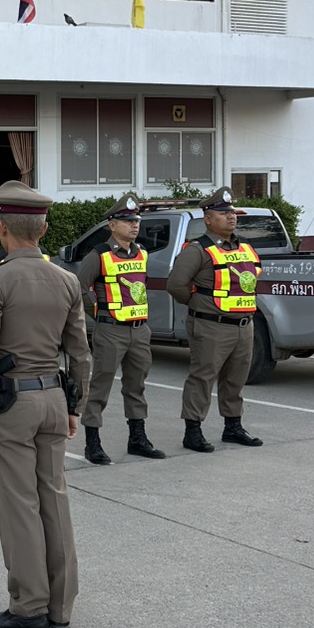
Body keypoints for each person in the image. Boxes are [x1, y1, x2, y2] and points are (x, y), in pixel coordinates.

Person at [0, 180, 91, 628]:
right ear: (44, 229)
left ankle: (29, 608)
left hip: (12, 403)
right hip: (54, 398)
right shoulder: (67, 280)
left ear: (1, 229)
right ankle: (60, 608)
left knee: (20, 504)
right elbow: (80, 353)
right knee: (54, 498)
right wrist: (75, 404)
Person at [167, 186, 264, 452]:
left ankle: (233, 427)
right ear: (208, 219)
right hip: (211, 325)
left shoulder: (245, 247)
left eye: (232, 213)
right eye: (223, 213)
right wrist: (199, 304)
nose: (231, 217)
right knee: (202, 378)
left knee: (236, 379)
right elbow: (176, 285)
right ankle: (192, 431)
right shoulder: (197, 249)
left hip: (244, 325)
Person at [77, 193, 164, 465]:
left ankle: (137, 439)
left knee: (136, 385)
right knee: (100, 386)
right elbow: (79, 287)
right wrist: (97, 312)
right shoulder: (99, 255)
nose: (134, 225)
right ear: (112, 225)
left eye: (136, 220)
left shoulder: (142, 253)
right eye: (127, 221)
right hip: (111, 330)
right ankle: (92, 443)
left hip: (139, 330)